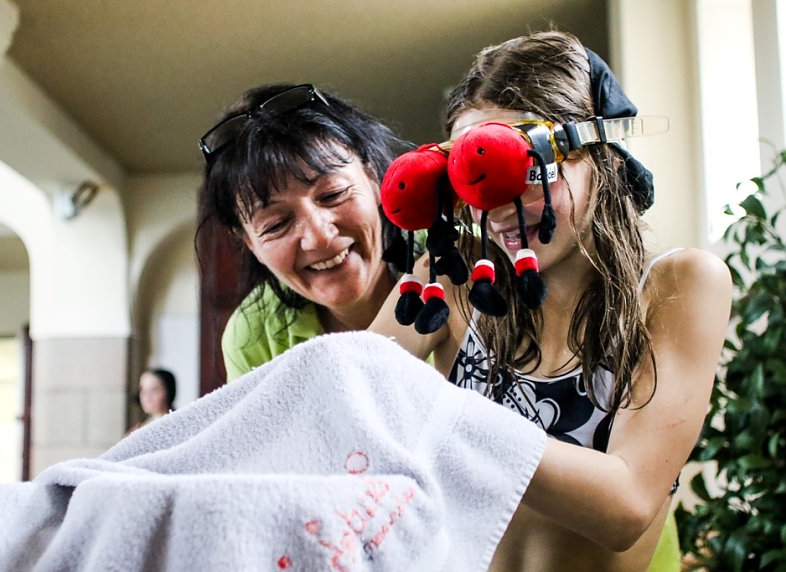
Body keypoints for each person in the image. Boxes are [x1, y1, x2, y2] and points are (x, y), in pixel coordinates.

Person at [371, 31, 731, 571]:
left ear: (596, 156)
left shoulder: (676, 286)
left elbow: (625, 505)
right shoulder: (455, 278)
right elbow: (346, 389)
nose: (493, 208)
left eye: (514, 169)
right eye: (472, 177)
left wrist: (438, 411)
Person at [198, 83, 410, 381]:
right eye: (276, 224)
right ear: (250, 243)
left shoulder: (464, 264)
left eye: (333, 194)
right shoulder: (255, 336)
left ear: (374, 179)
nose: (319, 236)